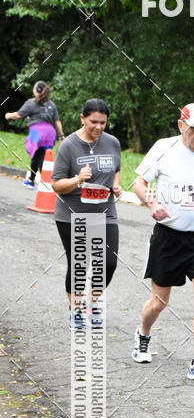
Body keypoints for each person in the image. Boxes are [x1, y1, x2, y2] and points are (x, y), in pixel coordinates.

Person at [131, 103, 194, 384]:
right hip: (168, 236)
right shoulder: (163, 147)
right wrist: (152, 201)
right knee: (159, 301)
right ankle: (143, 334)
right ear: (181, 125)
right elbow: (138, 183)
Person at [51, 98, 121, 329]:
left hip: (105, 211)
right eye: (93, 122)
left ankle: (91, 303)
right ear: (82, 118)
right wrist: (77, 179)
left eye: (103, 123)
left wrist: (117, 186)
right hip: (72, 213)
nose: (98, 127)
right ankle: (76, 310)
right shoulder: (69, 146)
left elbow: (116, 169)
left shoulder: (112, 143)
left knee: (108, 263)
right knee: (79, 264)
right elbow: (56, 184)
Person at [5, 81, 64, 187]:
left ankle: (45, 184)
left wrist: (8, 115)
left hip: (37, 133)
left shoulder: (31, 102)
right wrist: (61, 135)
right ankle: (31, 180)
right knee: (37, 156)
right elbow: (57, 121)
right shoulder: (51, 104)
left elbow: (18, 115)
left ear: (36, 90)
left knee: (40, 157)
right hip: (50, 133)